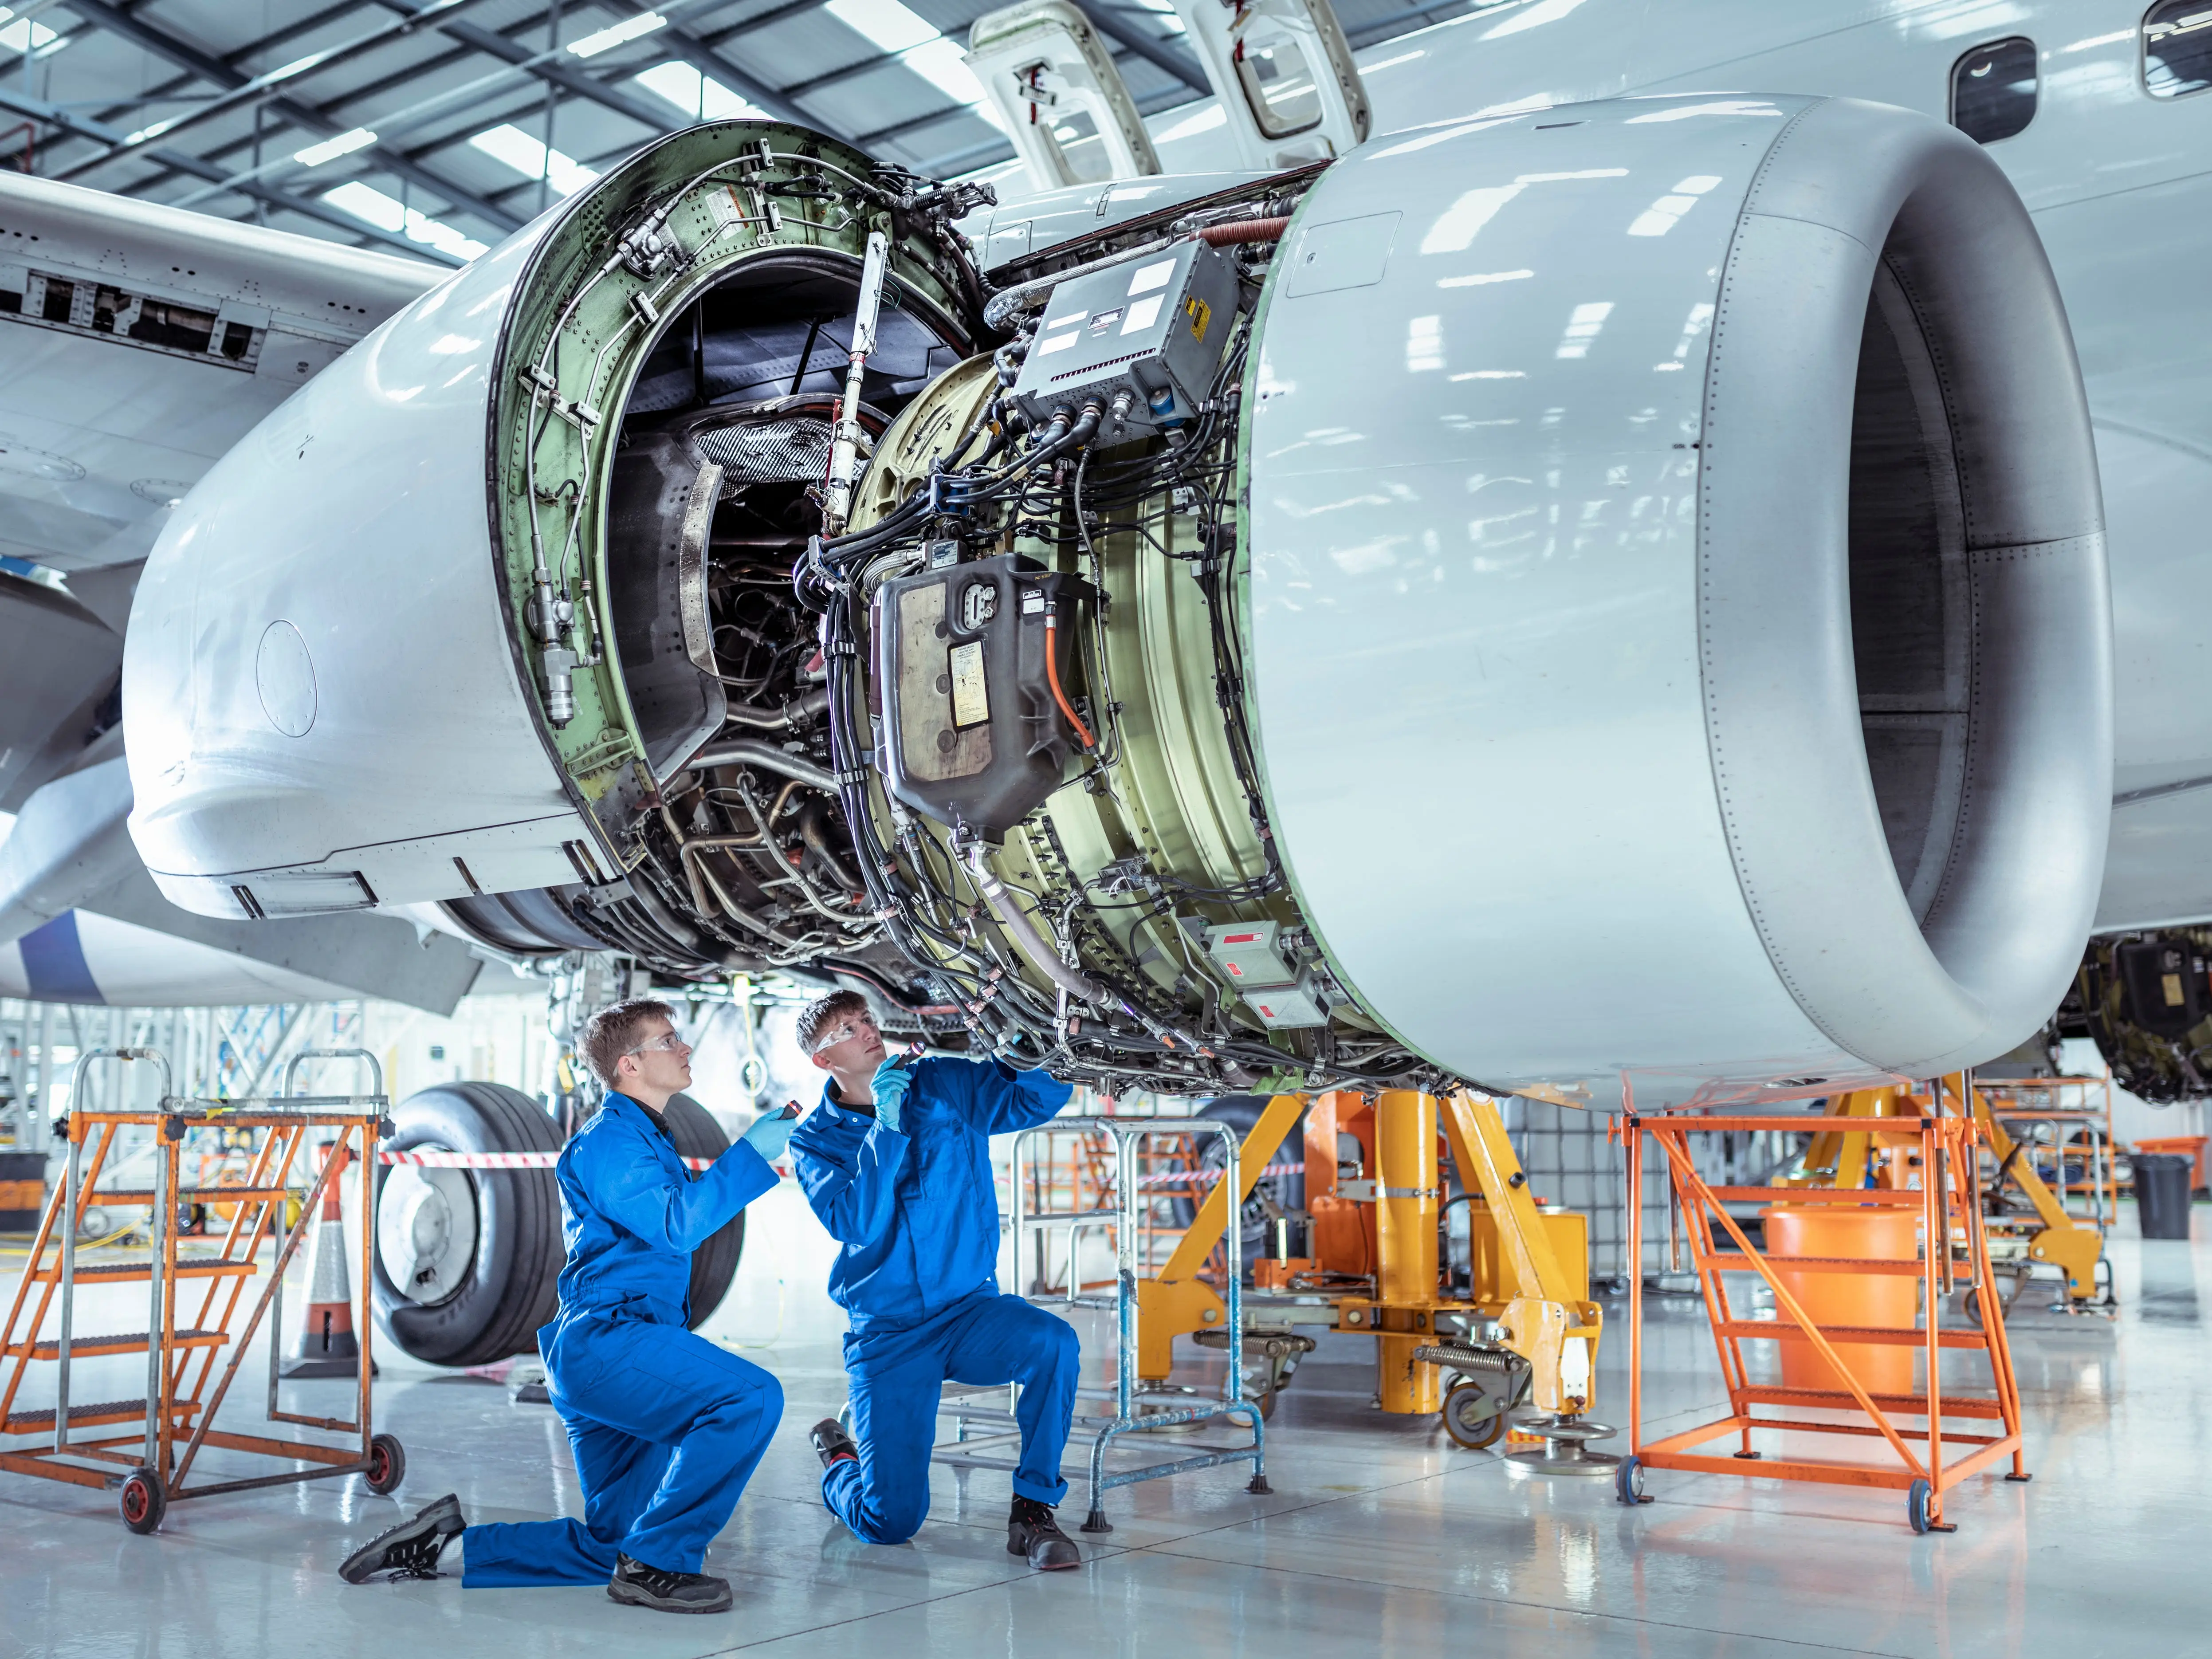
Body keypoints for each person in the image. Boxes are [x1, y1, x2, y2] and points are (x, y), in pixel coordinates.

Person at [337, 999, 794, 1614]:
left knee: (611, 1545)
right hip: (610, 1345)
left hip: (613, 1351)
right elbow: (676, 1224)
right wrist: (750, 1154)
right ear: (629, 1065)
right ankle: (659, 1566)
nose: (684, 1049)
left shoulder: (646, 1138)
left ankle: (443, 1548)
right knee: (750, 1397)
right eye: (668, 1041)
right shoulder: (610, 1141)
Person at [786, 989, 1084, 1571]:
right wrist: (887, 1128)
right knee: (889, 1523)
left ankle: (1033, 1510)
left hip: (970, 1312)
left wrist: (1035, 1050)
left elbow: (1025, 1103)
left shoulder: (939, 1081)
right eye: (847, 1029)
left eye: (866, 1019)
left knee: (1053, 1343)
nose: (868, 1030)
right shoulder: (814, 1140)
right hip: (888, 1332)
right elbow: (855, 1221)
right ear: (825, 1061)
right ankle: (841, 1464)